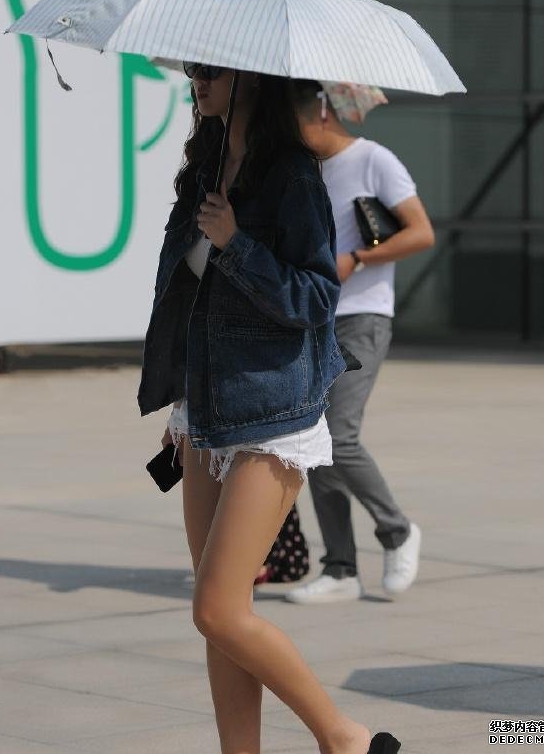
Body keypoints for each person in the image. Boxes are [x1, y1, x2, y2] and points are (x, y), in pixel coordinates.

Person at [138, 65, 400, 754]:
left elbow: (317, 297)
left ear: (251, 77)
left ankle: (344, 738)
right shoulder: (206, 167)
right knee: (221, 618)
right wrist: (180, 397)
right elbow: (187, 298)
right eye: (191, 67)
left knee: (217, 608)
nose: (194, 79)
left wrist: (237, 244)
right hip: (206, 407)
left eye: (209, 69)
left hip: (272, 411)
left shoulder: (292, 176)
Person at [286, 81, 434, 606]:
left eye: (294, 124)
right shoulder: (303, 171)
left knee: (338, 434)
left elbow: (420, 233)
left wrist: (358, 259)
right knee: (315, 440)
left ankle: (397, 531)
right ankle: (340, 568)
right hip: (313, 319)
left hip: (362, 316)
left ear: (321, 112)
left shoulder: (374, 160)